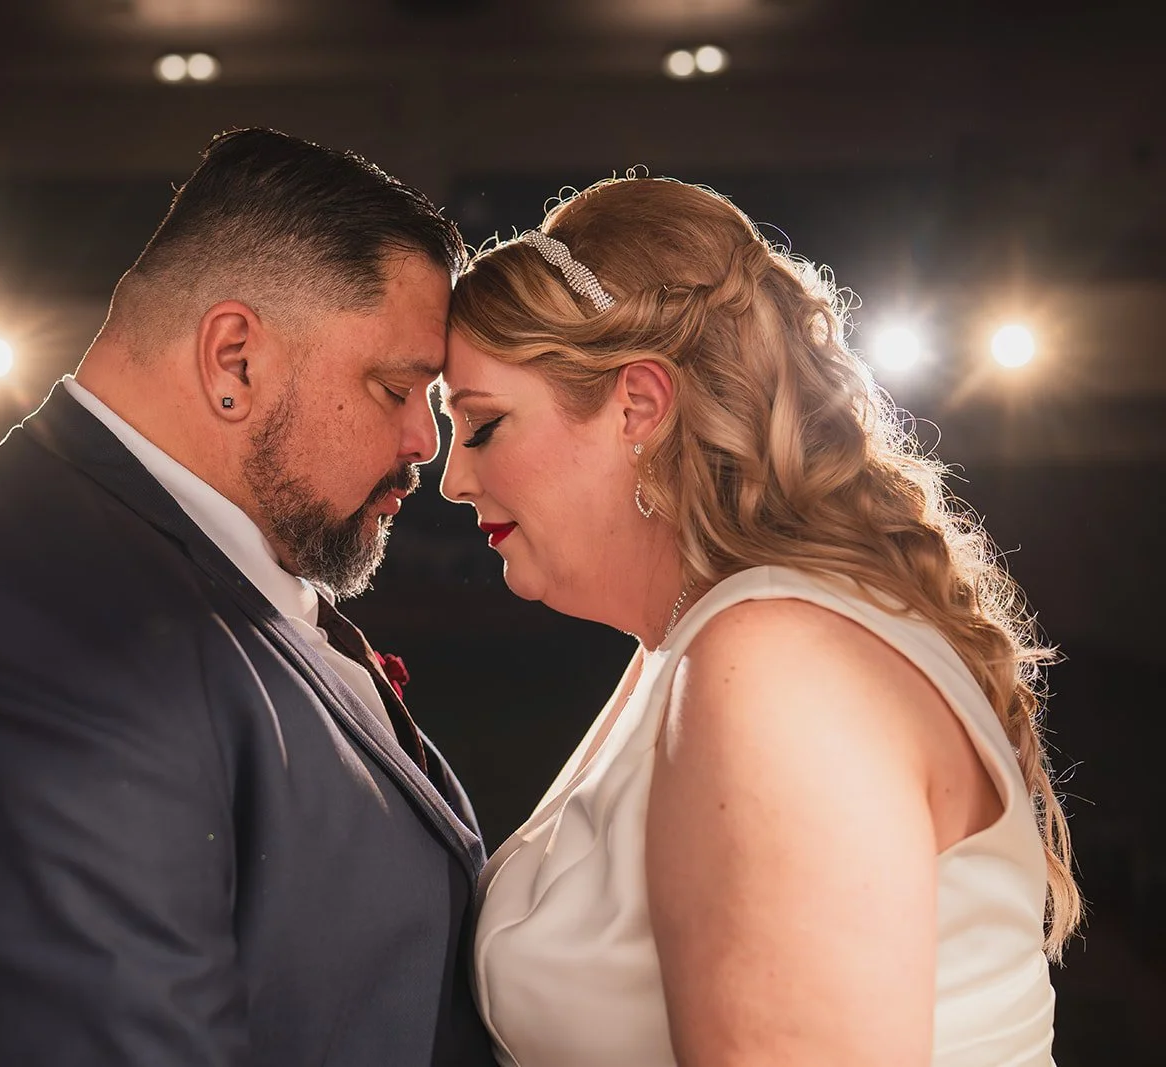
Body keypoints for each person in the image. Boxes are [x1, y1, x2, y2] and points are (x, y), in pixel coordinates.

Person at [0, 128, 498, 1066]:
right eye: (397, 387)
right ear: (235, 361)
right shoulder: (30, 642)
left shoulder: (139, 561)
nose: (425, 443)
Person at [439, 176, 1080, 1066]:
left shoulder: (773, 661)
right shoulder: (690, 641)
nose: (453, 481)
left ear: (638, 405)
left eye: (481, 426)